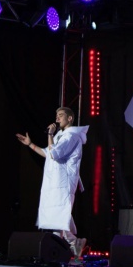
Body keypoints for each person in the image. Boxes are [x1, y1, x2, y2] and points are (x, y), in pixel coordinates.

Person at [16, 107, 89, 258]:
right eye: (56, 115)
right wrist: (30, 144)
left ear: (70, 118)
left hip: (64, 183)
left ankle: (58, 251)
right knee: (56, 217)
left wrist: (50, 134)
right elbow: (47, 153)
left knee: (57, 218)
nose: (57, 118)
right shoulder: (60, 136)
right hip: (54, 182)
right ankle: (75, 243)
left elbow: (54, 153)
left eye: (61, 115)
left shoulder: (71, 137)